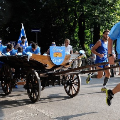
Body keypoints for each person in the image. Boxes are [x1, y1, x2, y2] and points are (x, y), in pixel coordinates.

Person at [106, 21, 120, 106]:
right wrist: (110, 55)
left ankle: (111, 92)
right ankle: (111, 93)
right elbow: (110, 38)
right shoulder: (119, 25)